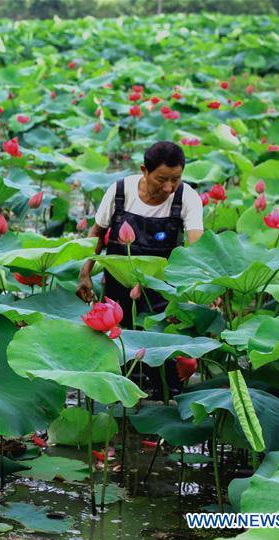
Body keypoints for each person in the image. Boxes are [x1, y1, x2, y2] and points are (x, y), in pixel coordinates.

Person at [76, 141, 204, 395]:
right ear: (144, 170)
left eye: (175, 179)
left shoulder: (187, 197)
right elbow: (97, 234)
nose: (168, 188)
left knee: (165, 373)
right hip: (117, 288)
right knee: (119, 364)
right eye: (161, 179)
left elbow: (197, 247)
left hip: (162, 290)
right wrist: (85, 272)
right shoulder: (120, 192)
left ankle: (164, 397)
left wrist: (201, 289)